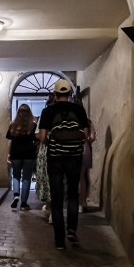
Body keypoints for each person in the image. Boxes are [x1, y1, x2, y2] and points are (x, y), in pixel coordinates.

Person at [37, 79, 90, 249]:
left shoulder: (47, 111)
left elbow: (44, 138)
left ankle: (59, 241)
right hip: (75, 157)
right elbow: (86, 136)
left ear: (54, 93)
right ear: (70, 93)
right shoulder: (79, 109)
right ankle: (72, 230)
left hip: (55, 158)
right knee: (73, 194)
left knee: (57, 198)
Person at [6, 104, 38, 210]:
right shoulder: (33, 125)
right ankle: (24, 203)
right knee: (26, 178)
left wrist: (9, 154)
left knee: (15, 175)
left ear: (18, 112)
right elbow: (36, 141)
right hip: (28, 154)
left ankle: (16, 195)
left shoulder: (13, 124)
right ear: (29, 112)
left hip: (15, 153)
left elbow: (10, 141)